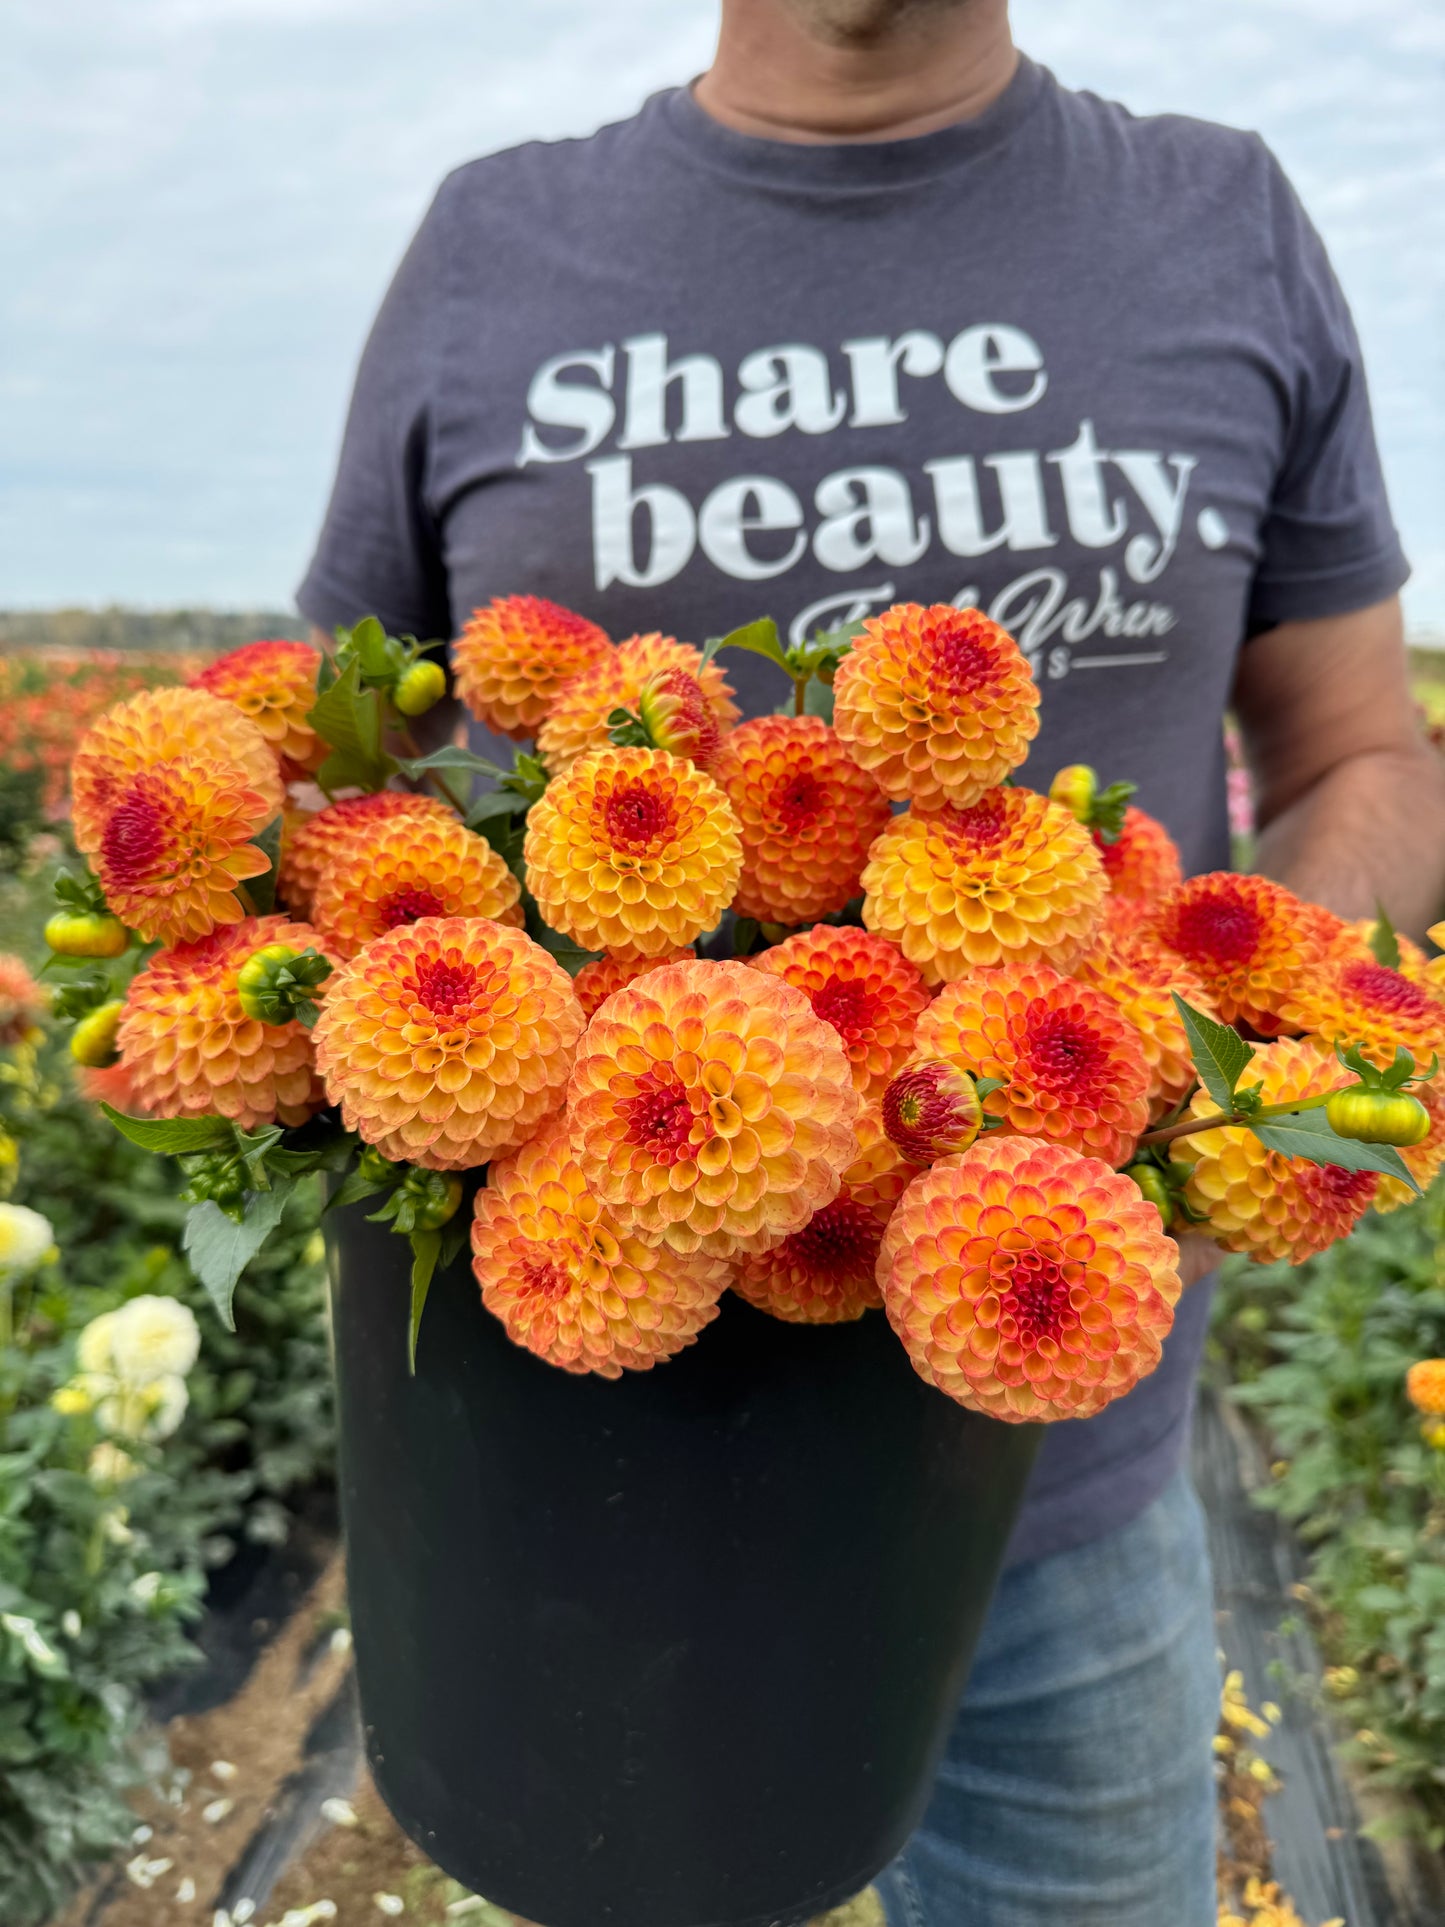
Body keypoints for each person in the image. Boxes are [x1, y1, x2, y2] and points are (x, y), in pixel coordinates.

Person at [298, 2, 1445, 1919]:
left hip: (1048, 1466)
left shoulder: (1216, 217)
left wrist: (1243, 1058)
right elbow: (342, 760)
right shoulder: (492, 241)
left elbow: (1355, 750)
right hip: (569, 1477)